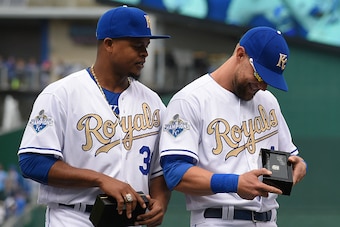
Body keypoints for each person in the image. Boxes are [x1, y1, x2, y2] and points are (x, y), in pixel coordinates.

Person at [17, 5, 171, 227]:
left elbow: (159, 169)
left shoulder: (153, 101)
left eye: (146, 46)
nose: (145, 53)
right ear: (109, 44)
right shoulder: (61, 94)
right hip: (75, 216)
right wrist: (99, 179)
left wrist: (161, 202)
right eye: (137, 46)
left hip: (132, 219)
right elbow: (32, 162)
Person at [159, 26, 307, 227]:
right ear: (240, 54)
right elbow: (175, 172)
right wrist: (234, 183)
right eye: (260, 76)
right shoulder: (190, 100)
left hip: (268, 219)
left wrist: (298, 166)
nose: (263, 86)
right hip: (217, 219)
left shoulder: (268, 100)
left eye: (269, 80)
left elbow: (287, 156)